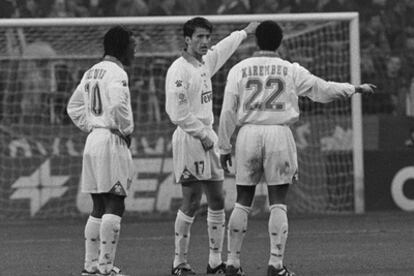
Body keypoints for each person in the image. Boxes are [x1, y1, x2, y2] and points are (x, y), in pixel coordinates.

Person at [217, 20, 376, 276]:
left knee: (242, 200)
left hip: (247, 134)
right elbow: (322, 89)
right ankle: (275, 265)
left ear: (256, 41)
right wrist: (354, 88)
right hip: (279, 134)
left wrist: (224, 145)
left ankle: (232, 263)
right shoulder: (290, 69)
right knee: (278, 202)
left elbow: (227, 111)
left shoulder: (238, 69)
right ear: (280, 42)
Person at [165, 17, 258, 275]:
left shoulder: (205, 62)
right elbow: (177, 112)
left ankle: (215, 260)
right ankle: (179, 263)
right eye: (199, 37)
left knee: (218, 197)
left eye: (207, 37)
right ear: (187, 39)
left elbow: (223, 49)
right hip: (190, 136)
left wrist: (244, 32)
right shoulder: (179, 70)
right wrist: (201, 134)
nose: (205, 42)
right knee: (192, 200)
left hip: (208, 134)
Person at [67, 26, 136, 276]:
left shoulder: (91, 71)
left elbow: (73, 107)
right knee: (115, 203)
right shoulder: (117, 72)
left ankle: (90, 266)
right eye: (133, 44)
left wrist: (92, 126)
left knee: (98, 204)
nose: (135, 50)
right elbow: (118, 104)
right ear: (123, 46)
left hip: (94, 139)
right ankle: (106, 268)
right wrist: (126, 130)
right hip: (110, 140)